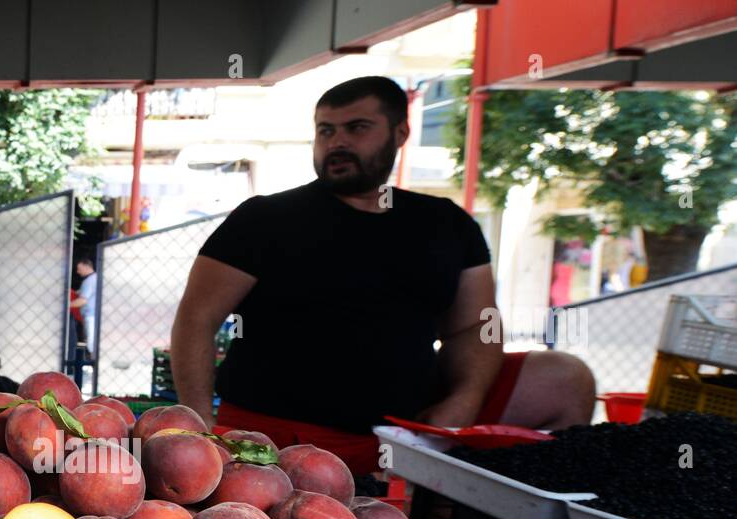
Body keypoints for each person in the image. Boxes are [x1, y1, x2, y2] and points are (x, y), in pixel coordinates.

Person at [170, 76, 595, 475]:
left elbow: (475, 326)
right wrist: (201, 428)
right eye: (325, 131)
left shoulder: (446, 223)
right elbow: (197, 318)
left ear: (400, 134)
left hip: (411, 431)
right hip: (280, 439)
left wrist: (465, 398)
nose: (337, 142)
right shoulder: (265, 218)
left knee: (563, 378)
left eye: (356, 128)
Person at [69, 255, 98, 355]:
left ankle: (93, 364)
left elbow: (82, 300)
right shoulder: (95, 279)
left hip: (90, 316)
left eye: (79, 269)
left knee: (91, 343)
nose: (78, 272)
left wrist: (66, 305)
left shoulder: (89, 281)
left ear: (86, 266)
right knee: (92, 342)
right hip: (93, 316)